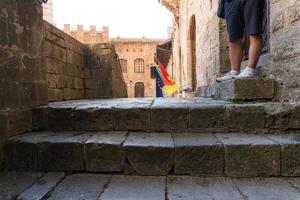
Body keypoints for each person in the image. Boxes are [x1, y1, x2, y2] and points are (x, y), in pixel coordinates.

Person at [216, 0, 265, 82]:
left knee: (254, 33)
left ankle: (250, 70)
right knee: (233, 39)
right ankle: (234, 72)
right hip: (230, 2)